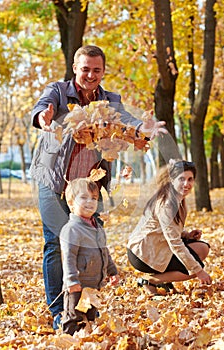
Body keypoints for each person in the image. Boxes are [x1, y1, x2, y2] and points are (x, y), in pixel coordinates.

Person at [30, 44, 167, 329]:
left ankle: (85, 308)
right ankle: (60, 313)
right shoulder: (58, 91)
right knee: (56, 243)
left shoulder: (109, 99)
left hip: (89, 186)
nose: (90, 75)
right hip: (54, 180)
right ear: (75, 68)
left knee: (91, 244)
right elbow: (42, 106)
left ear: (103, 71)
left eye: (96, 70)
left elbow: (125, 120)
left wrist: (143, 127)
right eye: (85, 69)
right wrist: (43, 116)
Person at [127, 159, 212, 294]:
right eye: (181, 179)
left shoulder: (178, 198)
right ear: (172, 180)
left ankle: (163, 282)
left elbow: (167, 229)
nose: (186, 184)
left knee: (202, 248)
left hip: (157, 246)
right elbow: (174, 243)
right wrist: (199, 271)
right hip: (144, 254)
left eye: (190, 179)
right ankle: (150, 280)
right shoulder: (167, 203)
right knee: (194, 270)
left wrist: (186, 234)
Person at [60, 177, 119, 335]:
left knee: (90, 316)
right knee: (73, 317)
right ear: (71, 203)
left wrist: (112, 271)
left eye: (93, 198)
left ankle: (86, 341)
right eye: (84, 197)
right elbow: (68, 257)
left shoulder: (97, 227)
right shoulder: (72, 229)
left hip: (94, 284)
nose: (90, 202)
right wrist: (72, 280)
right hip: (77, 285)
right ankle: (67, 342)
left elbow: (104, 251)